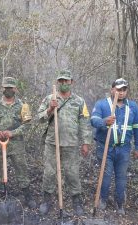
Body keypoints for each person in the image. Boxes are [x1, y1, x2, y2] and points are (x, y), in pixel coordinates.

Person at [37, 69, 92, 216]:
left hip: (71, 144)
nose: (63, 84)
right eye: (61, 81)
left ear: (71, 82)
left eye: (66, 81)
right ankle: (46, 200)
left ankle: (76, 201)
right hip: (52, 143)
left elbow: (84, 122)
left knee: (72, 173)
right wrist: (50, 109)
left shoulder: (79, 101)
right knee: (49, 173)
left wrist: (86, 142)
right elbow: (39, 118)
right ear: (57, 82)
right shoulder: (50, 98)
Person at [0, 77, 36, 209]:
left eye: (10, 88)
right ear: (2, 88)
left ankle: (28, 196)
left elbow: (27, 125)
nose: (8, 90)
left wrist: (13, 133)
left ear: (15, 89)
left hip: (17, 146)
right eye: (6, 88)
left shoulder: (23, 106)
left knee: (22, 170)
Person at [90, 78, 138, 215]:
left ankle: (119, 202)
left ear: (126, 91)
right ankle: (103, 199)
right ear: (112, 89)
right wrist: (104, 121)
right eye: (118, 89)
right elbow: (93, 120)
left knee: (121, 177)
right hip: (105, 147)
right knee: (106, 176)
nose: (121, 92)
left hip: (124, 149)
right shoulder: (102, 104)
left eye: (124, 89)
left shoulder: (132, 107)